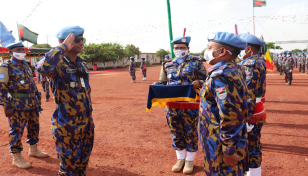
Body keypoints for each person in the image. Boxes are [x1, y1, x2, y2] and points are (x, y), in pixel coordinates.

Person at [37, 26, 94, 175]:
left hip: (86, 124)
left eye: (83, 39)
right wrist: (62, 47)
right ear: (65, 40)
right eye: (78, 39)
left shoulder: (81, 63)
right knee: (68, 169)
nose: (82, 43)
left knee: (82, 166)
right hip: (67, 126)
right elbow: (42, 68)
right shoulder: (57, 63)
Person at [154, 36, 207, 174]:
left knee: (190, 131)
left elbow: (206, 80)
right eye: (176, 48)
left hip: (190, 104)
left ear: (187, 49)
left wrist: (199, 83)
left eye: (182, 48)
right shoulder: (167, 64)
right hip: (171, 105)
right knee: (176, 131)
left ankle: (189, 160)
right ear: (173, 49)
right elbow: (162, 82)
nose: (179, 50)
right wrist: (156, 86)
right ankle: (180, 159)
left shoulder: (196, 62)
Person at [199, 32, 248, 176]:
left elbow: (230, 116)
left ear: (222, 51)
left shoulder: (221, 77)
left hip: (220, 145)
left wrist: (229, 150)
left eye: (209, 48)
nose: (206, 51)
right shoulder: (233, 69)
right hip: (220, 141)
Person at [0, 41, 48, 169]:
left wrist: (38, 98)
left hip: (32, 103)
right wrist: (6, 107)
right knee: (17, 130)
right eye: (19, 50)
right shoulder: (5, 67)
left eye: (23, 49)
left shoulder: (26, 65)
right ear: (10, 52)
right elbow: (2, 89)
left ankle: (33, 149)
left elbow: (32, 83)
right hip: (17, 105)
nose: (22, 52)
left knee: (34, 126)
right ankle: (16, 156)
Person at [238, 33, 267, 176]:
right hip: (256, 108)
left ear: (248, 49)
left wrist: (246, 117)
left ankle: (254, 173)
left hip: (251, 111)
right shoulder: (258, 61)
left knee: (251, 145)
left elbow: (249, 92)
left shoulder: (250, 64)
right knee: (253, 144)